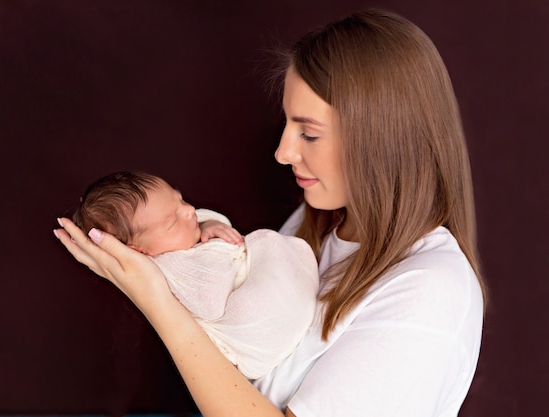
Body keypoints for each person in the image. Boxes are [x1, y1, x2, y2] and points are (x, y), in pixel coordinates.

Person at [54, 9, 487, 417]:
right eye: (286, 124)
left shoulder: (430, 292)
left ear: (383, 141)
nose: (282, 152)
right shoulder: (312, 225)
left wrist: (157, 301)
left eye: (309, 134)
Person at [71, 171, 319, 380]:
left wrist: (208, 226)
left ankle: (298, 289)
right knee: (265, 248)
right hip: (253, 338)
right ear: (139, 251)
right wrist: (218, 254)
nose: (190, 210)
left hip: (274, 305)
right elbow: (210, 304)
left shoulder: (183, 233)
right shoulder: (167, 267)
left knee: (270, 244)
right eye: (172, 221)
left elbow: (209, 218)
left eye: (180, 201)